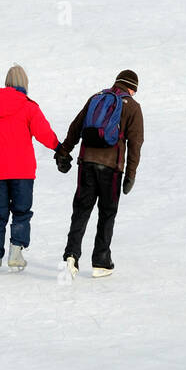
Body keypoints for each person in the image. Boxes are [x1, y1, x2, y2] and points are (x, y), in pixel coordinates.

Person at [55, 70, 144, 276]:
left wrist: (64, 151)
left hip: (86, 163)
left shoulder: (96, 98)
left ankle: (71, 257)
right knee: (107, 213)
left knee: (81, 210)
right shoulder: (133, 108)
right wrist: (131, 174)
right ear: (132, 89)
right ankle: (101, 262)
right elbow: (135, 144)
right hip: (112, 170)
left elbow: (75, 127)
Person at [0, 64, 59, 272]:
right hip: (22, 171)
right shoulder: (29, 107)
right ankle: (15, 252)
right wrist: (59, 147)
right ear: (25, 84)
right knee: (21, 212)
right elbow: (43, 132)